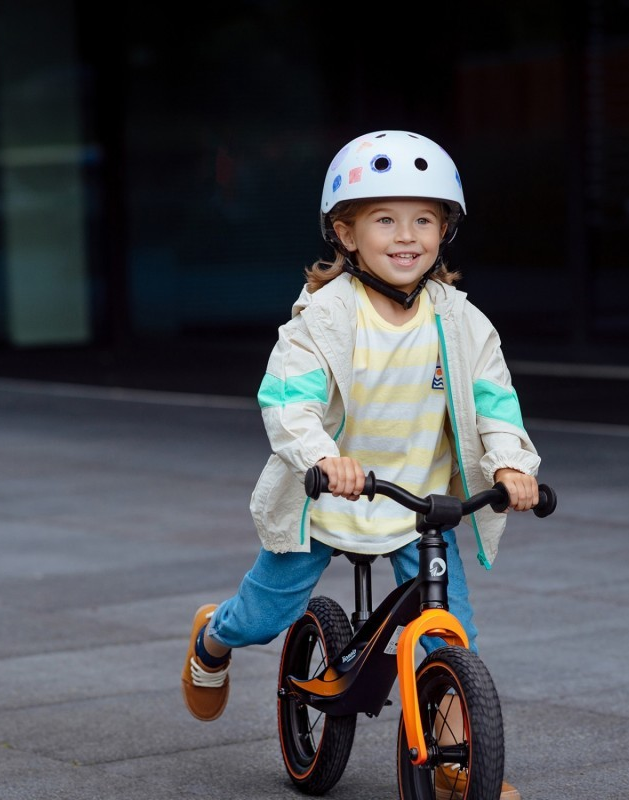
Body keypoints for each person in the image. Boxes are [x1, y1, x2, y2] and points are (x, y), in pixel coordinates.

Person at [182, 130, 541, 800]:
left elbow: (495, 402)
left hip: (417, 506)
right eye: (384, 220)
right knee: (266, 612)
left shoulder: (460, 322)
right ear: (345, 233)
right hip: (330, 496)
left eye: (424, 220)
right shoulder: (325, 319)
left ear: (445, 231)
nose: (406, 236)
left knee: (448, 631)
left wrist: (512, 467)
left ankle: (456, 754)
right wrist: (324, 458)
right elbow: (288, 399)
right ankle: (213, 637)